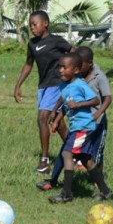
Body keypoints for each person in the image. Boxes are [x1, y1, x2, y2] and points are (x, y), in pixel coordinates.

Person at [38, 46, 112, 191]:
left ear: (87, 64)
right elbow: (67, 100)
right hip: (78, 124)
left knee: (94, 154)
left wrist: (97, 114)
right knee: (67, 152)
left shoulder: (98, 77)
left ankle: (98, 186)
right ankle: (54, 181)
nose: (62, 70)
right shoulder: (72, 79)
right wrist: (58, 116)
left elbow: (105, 99)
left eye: (80, 64)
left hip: (95, 124)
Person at [13, 11, 71, 174]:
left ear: (45, 23)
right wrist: (18, 85)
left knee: (42, 117)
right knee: (58, 123)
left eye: (35, 24)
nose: (32, 27)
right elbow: (29, 64)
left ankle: (45, 161)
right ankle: (77, 153)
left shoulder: (57, 41)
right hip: (43, 86)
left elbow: (74, 52)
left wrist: (74, 72)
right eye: (30, 24)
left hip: (57, 84)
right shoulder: (32, 44)